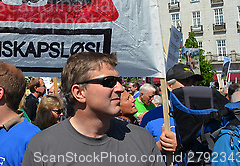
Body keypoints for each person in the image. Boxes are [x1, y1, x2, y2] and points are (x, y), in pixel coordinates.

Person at [22, 52, 163, 166]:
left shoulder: (142, 140)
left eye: (119, 81)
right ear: (79, 93)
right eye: (109, 82)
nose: (120, 88)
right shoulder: (42, 147)